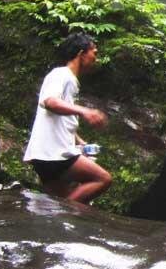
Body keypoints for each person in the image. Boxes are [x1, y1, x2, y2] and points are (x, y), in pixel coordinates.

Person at [23, 33, 112, 204]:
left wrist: (78, 141)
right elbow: (50, 102)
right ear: (81, 53)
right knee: (102, 179)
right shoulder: (61, 74)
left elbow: (59, 117)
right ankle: (62, 211)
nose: (96, 58)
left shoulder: (69, 80)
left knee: (58, 201)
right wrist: (85, 111)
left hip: (44, 156)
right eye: (94, 52)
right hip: (54, 155)